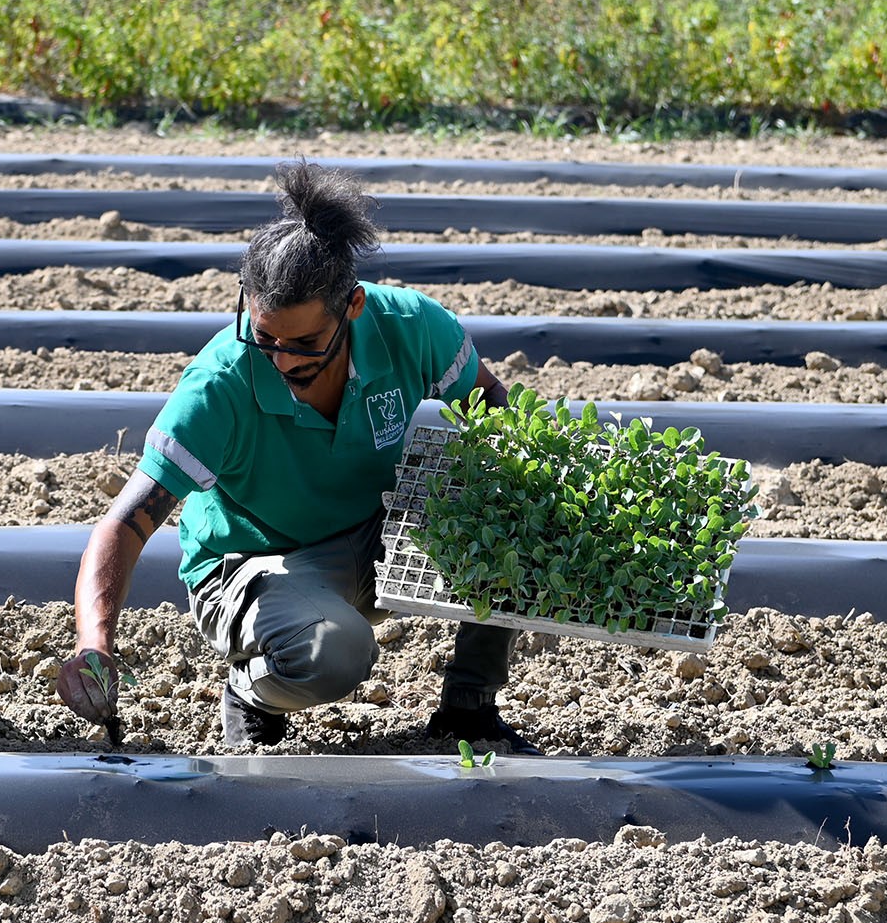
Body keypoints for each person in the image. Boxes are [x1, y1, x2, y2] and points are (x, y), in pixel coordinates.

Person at [58, 162, 537, 751]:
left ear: (353, 307)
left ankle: (468, 708)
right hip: (253, 564)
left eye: (305, 343)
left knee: (511, 508)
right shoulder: (219, 387)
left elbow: (496, 410)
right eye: (265, 338)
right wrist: (94, 644)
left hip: (375, 533)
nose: (282, 360)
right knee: (337, 650)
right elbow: (126, 523)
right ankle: (252, 688)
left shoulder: (412, 328)